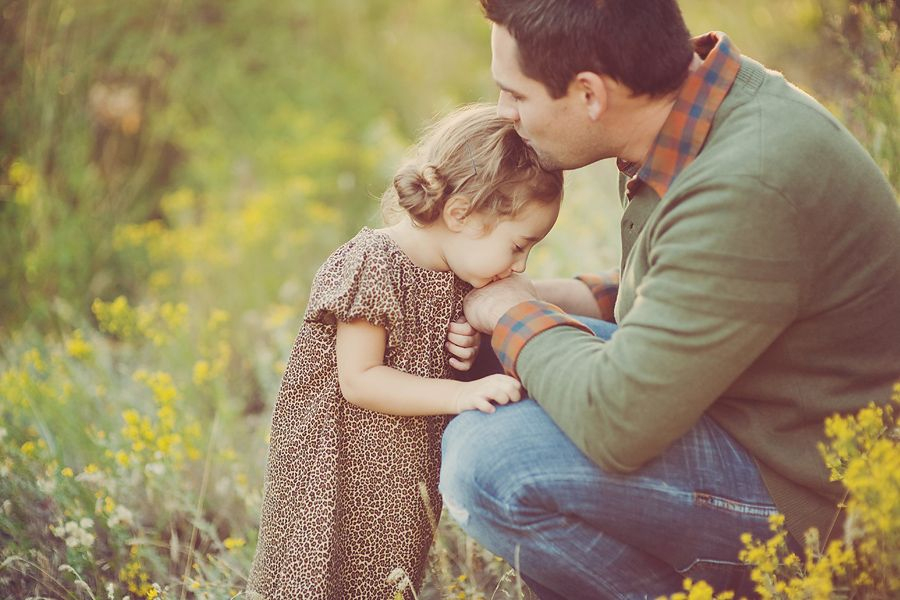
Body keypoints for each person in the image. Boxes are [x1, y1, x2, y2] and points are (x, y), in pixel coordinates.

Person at [438, 1, 900, 598]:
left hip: (822, 498)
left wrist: (508, 313)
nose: (505, 115)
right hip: (754, 411)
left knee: (493, 462)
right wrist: (541, 298)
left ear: (589, 95)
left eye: (516, 95)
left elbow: (618, 424)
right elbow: (695, 284)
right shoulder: (694, 111)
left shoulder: (751, 179)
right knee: (487, 365)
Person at [244, 103, 564, 599]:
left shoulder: (460, 272)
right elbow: (360, 379)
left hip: (399, 475)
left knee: (387, 581)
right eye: (519, 245)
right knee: (315, 578)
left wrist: (468, 346)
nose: (521, 264)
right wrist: (463, 394)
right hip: (337, 470)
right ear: (460, 215)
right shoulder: (375, 264)